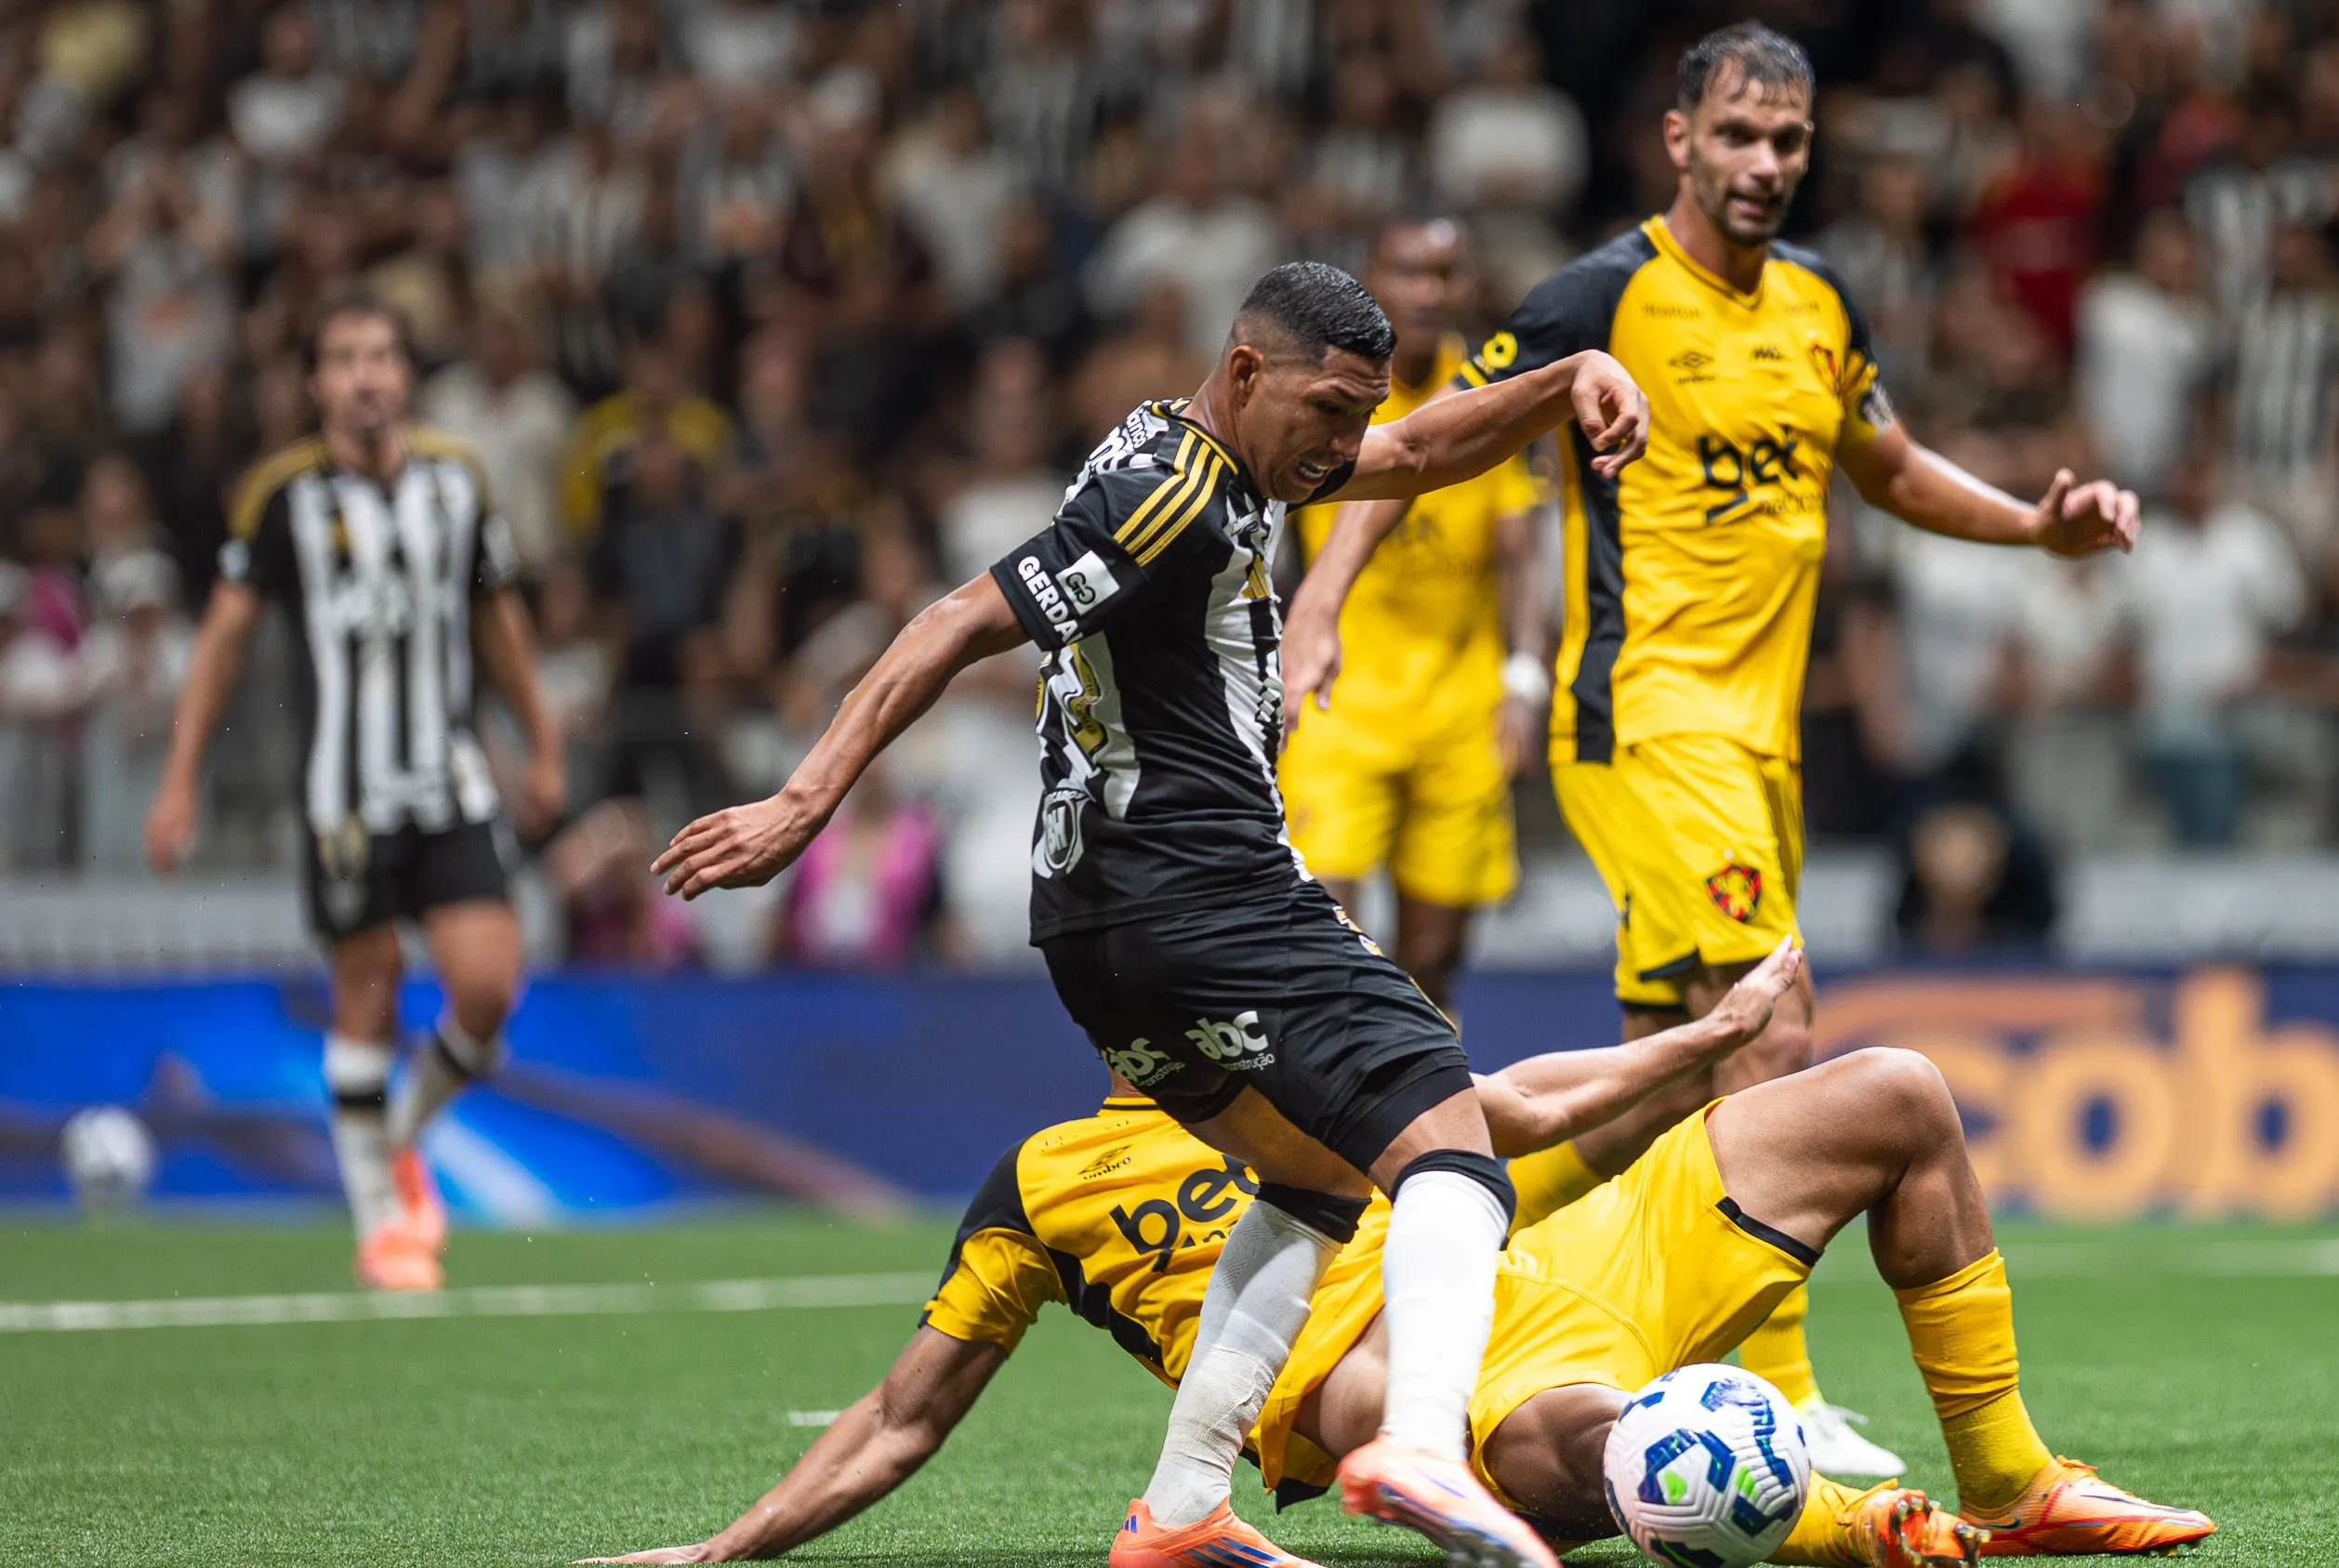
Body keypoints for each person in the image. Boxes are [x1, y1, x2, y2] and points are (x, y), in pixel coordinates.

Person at [652, 260, 1652, 1568]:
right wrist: (803, 800)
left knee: (1317, 1168)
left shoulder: (1231, 454)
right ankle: (1416, 1438)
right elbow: (957, 617)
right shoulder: (1165, 491)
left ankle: (1181, 1507)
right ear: (1246, 373)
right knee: (1444, 1124)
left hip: (1099, 926)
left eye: (1356, 415)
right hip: (1201, 887)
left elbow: (1413, 449)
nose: (1347, 445)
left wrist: (1567, 378)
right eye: (1329, 411)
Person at [1283, 22, 2136, 1480]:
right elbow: (1429, 437)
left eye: (1788, 143)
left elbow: (1890, 464)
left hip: (1761, 739)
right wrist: (1319, 595)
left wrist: (2034, 525)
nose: (1763, 166)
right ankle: (1778, 1384)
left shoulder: (1818, 304)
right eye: (1737, 137)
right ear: (1677, 140)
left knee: (1656, 1082)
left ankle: (1435, 1264)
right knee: (1770, 1020)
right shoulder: (1602, 294)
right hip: (1645, 712)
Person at [573, 944, 2214, 1566]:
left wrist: (1702, 1045)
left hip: (1556, 1254)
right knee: (1612, 1444)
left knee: (1898, 1094)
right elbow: (903, 1413)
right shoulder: (1046, 1183)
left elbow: (1513, 1102)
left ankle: (2009, 1483)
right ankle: (1871, 1536)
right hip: (1400, 1379)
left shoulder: (1302, 1062)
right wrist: (721, 1558)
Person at [143, 288, 565, 1292]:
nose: (366, 376)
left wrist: (540, 741)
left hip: (452, 779)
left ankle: (395, 1142)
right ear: (315, 382)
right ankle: (383, 1224)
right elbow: (223, 640)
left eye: (382, 355)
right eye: (344, 358)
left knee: (487, 990)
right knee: (365, 989)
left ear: (406, 374)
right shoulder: (283, 496)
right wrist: (178, 779)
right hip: (345, 794)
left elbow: (498, 619)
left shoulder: (458, 482)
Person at [1275, 213, 1548, 1014]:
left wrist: (1524, 679)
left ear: (1468, 285)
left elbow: (1522, 553)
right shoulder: (1330, 390)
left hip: (1460, 711)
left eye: (1446, 274)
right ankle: (1326, 1131)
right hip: (1337, 706)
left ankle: (1421, 1128)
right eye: (1408, 273)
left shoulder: (1494, 397)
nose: (1428, 293)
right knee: (1324, 946)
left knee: (1434, 960)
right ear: (1371, 278)